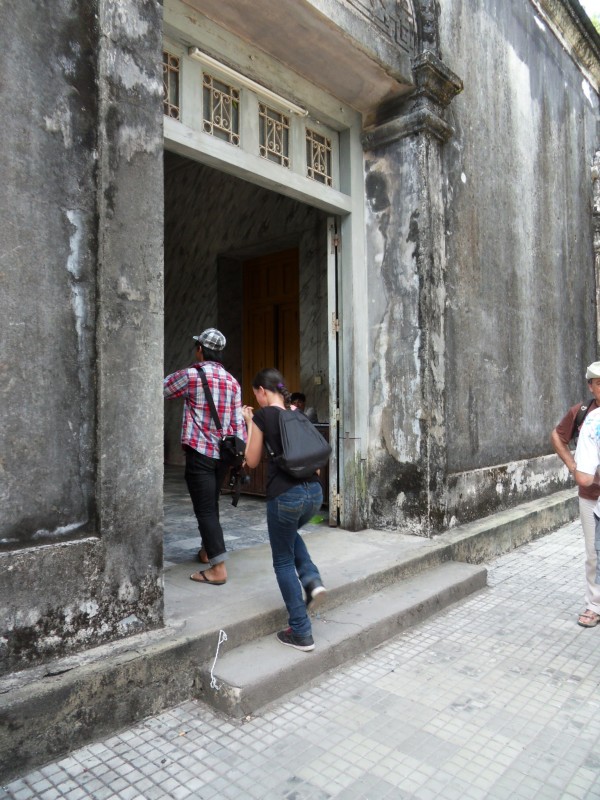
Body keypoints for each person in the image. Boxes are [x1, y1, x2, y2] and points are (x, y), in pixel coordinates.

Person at [242, 369, 326, 652]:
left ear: (262, 391)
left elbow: (252, 460)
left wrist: (249, 422)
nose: (257, 398)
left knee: (282, 560)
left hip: (286, 495)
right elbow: (316, 463)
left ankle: (301, 631)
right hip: (314, 494)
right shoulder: (297, 414)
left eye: (256, 393)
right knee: (288, 535)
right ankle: (311, 579)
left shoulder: (263, 416)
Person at [163, 328, 246, 586]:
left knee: (205, 509)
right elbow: (238, 424)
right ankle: (208, 551)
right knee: (211, 503)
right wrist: (240, 457)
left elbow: (161, 389)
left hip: (199, 453)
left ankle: (218, 569)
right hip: (224, 454)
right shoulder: (232, 382)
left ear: (200, 349)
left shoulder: (192, 375)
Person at [552, 361, 600, 626]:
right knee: (594, 552)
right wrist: (573, 466)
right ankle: (594, 605)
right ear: (590, 386)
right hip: (591, 494)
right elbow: (557, 436)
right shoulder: (582, 413)